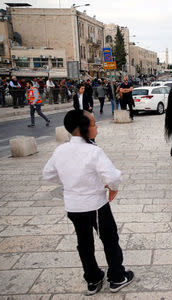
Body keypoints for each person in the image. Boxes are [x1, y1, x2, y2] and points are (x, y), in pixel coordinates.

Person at [42, 110, 135, 295]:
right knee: (109, 240)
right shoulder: (93, 151)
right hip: (96, 206)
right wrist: (113, 187)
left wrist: (71, 181)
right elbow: (112, 175)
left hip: (73, 207)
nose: (96, 127)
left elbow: (48, 174)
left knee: (84, 243)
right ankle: (117, 277)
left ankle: (93, 279)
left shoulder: (60, 150)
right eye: (93, 124)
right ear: (83, 129)